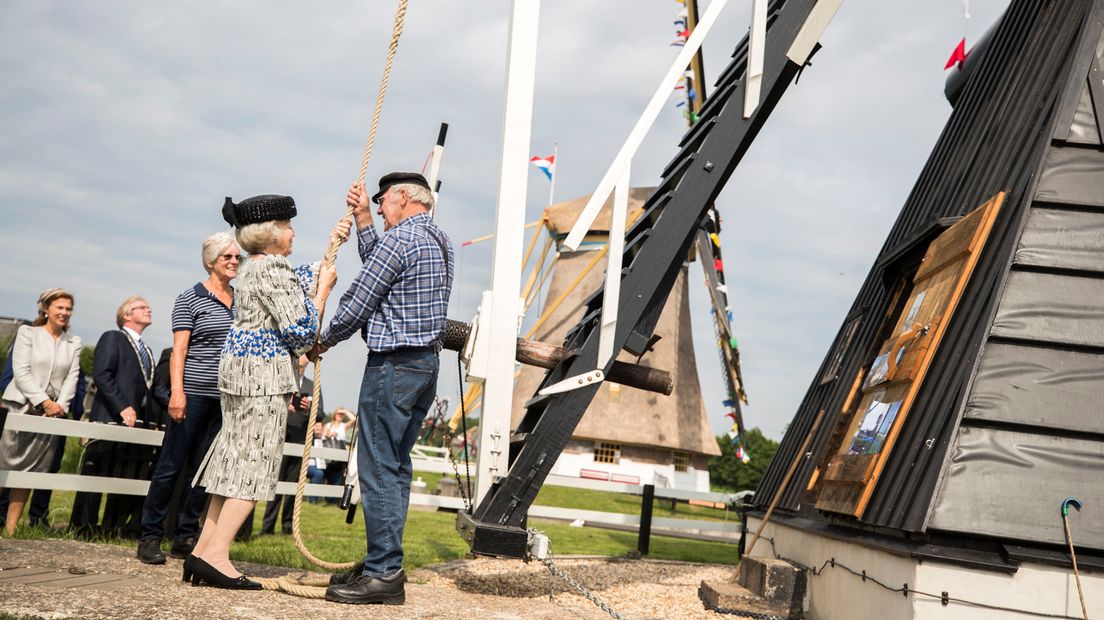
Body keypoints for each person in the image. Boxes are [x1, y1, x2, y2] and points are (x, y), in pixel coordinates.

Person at [184, 194, 342, 589]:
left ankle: (202, 552)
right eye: (288, 227)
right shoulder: (274, 269)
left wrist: (335, 244)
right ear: (271, 234)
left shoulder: (255, 268)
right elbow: (302, 332)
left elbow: (303, 274)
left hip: (237, 374)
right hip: (263, 380)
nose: (293, 233)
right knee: (254, 467)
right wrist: (322, 295)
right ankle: (218, 555)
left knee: (232, 462)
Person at [312, 173, 454, 605]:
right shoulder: (438, 240)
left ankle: (384, 573)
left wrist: (321, 341)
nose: (377, 208)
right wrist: (361, 221)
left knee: (376, 469)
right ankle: (383, 564)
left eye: (380, 202)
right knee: (394, 466)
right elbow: (387, 270)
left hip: (392, 366)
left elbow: (362, 296)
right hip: (424, 366)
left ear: (403, 198)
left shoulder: (400, 240)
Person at [136, 231, 239, 565]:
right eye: (228, 257)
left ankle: (185, 536)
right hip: (192, 393)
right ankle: (150, 536)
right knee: (171, 466)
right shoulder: (190, 298)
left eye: (238, 257)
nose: (235, 261)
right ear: (211, 261)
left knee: (204, 472)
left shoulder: (241, 301)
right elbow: (179, 350)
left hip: (224, 399)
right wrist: (177, 392)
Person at [70, 295, 156, 535]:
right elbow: (102, 375)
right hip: (109, 416)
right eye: (142, 307)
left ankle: (110, 528)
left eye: (148, 307)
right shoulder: (113, 337)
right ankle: (82, 527)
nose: (148, 310)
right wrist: (122, 406)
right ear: (126, 315)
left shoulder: (147, 350)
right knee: (96, 472)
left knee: (120, 473)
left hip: (134, 425)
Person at [0, 289, 82, 535]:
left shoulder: (73, 342)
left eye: (68, 309)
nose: (64, 313)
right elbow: (21, 371)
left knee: (29, 473)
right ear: (46, 308)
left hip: (50, 416)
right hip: (21, 408)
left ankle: (11, 530)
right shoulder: (28, 333)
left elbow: (72, 377)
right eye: (60, 307)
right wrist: (44, 401)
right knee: (5, 466)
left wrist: (60, 407)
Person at [260, 360, 316, 534]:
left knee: (293, 485)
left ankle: (287, 526)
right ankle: (267, 527)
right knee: (275, 483)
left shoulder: (312, 385)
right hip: (281, 437)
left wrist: (310, 408)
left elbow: (319, 414)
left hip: (299, 441)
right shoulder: (281, 379)